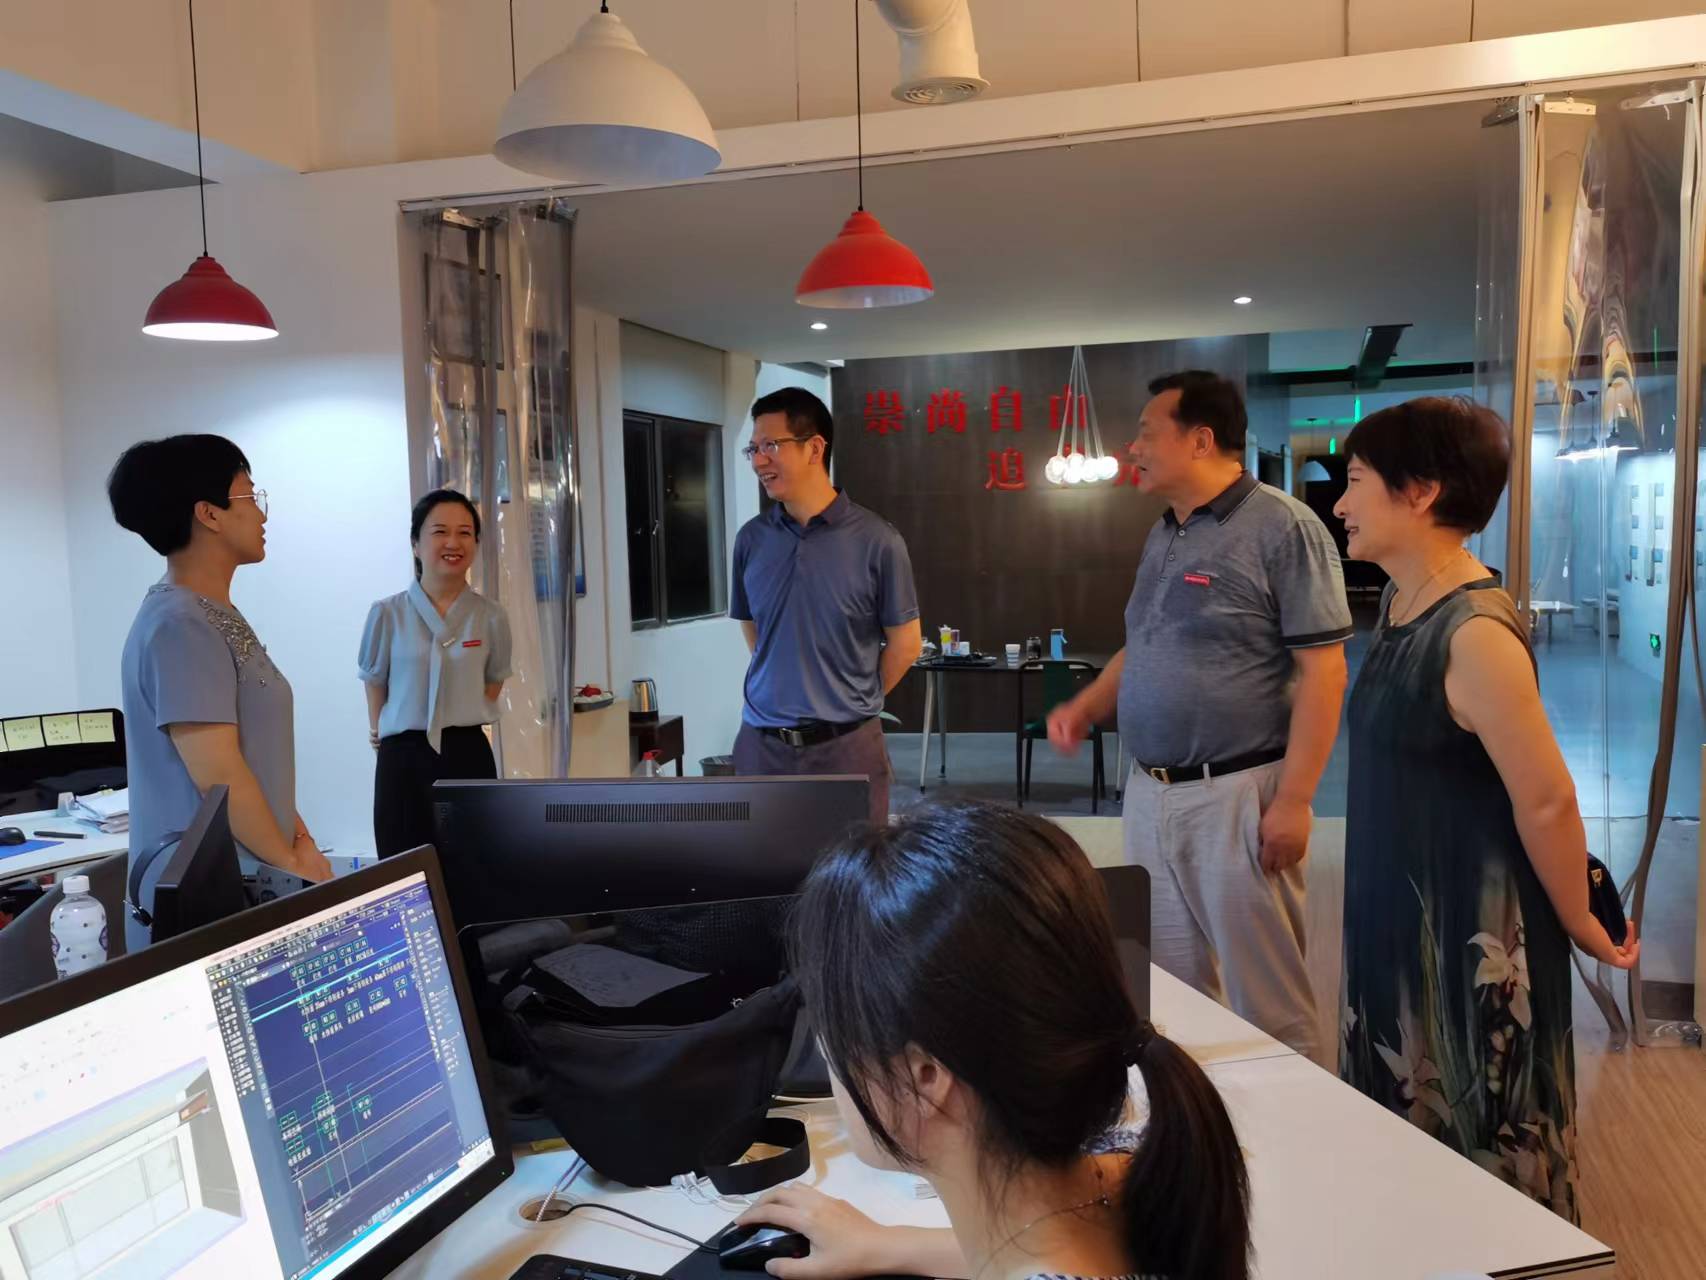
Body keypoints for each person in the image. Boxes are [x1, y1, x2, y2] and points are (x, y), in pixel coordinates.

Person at [1332, 397, 1638, 1220]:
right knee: (1404, 1150)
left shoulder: (1473, 633)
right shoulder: (1402, 605)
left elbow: (1547, 799)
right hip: (1399, 918)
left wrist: (1579, 920)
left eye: (1355, 481)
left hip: (1469, 940)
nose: (1341, 504)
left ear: (1421, 491)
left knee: (1476, 1147)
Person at [735, 799, 1251, 1280]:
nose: (827, 1054)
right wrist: (891, 1244)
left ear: (925, 1078)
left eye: (833, 1031)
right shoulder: (1135, 1172)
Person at [1047, 371, 1350, 1060]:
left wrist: (1294, 801)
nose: (1132, 448)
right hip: (1150, 793)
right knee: (1169, 993)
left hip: (1236, 794)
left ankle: (1295, 1119)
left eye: (1146, 433)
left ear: (1201, 440)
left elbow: (1325, 672)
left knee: (1269, 1002)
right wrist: (1088, 706)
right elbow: (1146, 643)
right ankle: (1199, 1120)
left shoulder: (1283, 527)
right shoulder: (1166, 534)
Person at [109, 435, 332, 944]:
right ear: (208, 513)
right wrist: (291, 863)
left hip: (249, 874)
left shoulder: (212, 612)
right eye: (250, 496)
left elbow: (256, 763)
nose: (262, 513)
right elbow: (219, 774)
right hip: (204, 894)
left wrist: (300, 841)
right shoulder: (178, 623)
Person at [730, 387, 922, 826]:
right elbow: (754, 628)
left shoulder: (878, 541)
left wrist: (850, 698)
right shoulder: (751, 540)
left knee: (853, 865)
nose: (759, 461)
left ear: (815, 448)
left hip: (847, 749)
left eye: (770, 445)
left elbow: (906, 645)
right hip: (762, 748)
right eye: (753, 449)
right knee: (760, 864)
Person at [358, 489, 512, 857]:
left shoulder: (491, 616)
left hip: (468, 754)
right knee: (405, 866)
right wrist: (380, 734)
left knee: (474, 865)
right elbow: (375, 682)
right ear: (415, 544)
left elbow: (494, 680)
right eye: (440, 531)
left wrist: (459, 709)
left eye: (464, 533)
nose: (453, 543)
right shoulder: (387, 614)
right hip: (402, 758)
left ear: (476, 543)